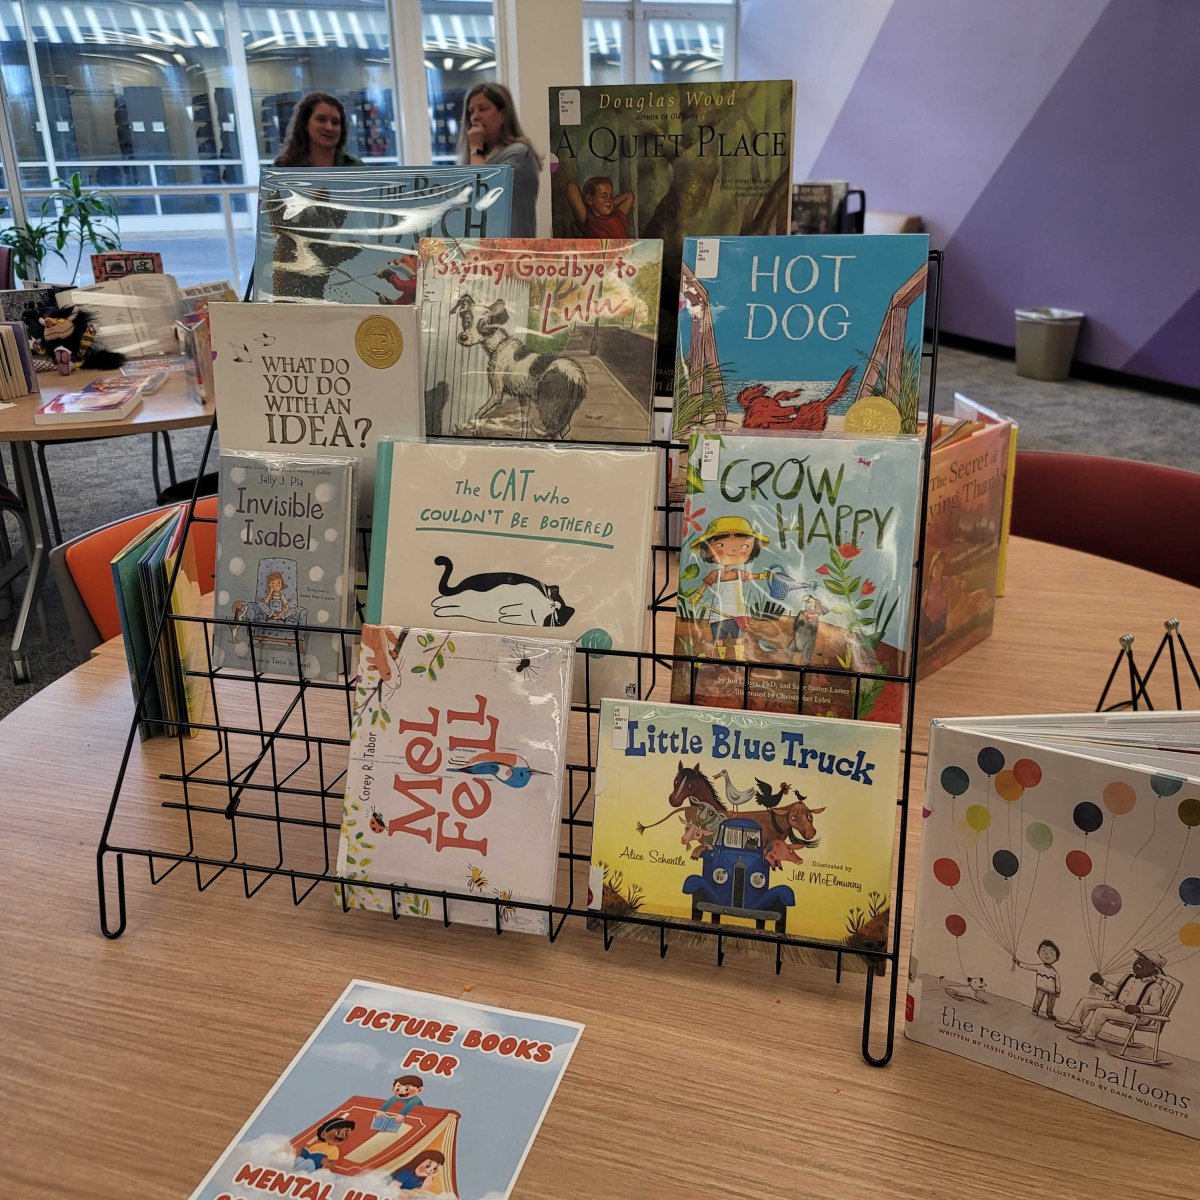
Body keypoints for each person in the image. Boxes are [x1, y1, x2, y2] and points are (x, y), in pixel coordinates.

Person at [458, 83, 541, 237]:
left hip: (511, 254)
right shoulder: (483, 156)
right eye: (471, 112)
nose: (475, 117)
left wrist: (476, 148)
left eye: (483, 109)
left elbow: (482, 198)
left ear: (503, 114)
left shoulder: (519, 153)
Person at [1055, 948, 1167, 1046]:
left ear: (1155, 971)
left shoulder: (1155, 987)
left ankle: (1088, 1037)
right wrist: (1102, 982)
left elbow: (1156, 1007)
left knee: (1101, 1011)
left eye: (1145, 962)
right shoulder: (1128, 977)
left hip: (1136, 1015)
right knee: (1085, 1001)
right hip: (1118, 1005)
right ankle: (1075, 1024)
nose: (1139, 963)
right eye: (1139, 959)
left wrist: (1139, 1008)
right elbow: (1117, 991)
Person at [274, 92, 364, 168]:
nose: (329, 127)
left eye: (335, 122)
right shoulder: (284, 167)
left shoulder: (357, 167)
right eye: (321, 120)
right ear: (305, 124)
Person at [564, 176, 635, 238]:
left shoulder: (617, 215)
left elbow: (629, 195)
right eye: (604, 196)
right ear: (589, 199)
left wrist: (609, 203)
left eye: (611, 196)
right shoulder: (590, 220)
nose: (609, 200)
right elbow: (570, 186)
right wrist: (590, 205)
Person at [1013, 938, 1061, 1018]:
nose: (1047, 954)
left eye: (1051, 953)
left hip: (1052, 990)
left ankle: (1049, 1013)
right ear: (1038, 952)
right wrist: (1019, 963)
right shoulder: (1039, 967)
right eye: (1044, 951)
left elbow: (1057, 981)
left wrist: (1058, 991)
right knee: (1038, 999)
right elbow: (1028, 966)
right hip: (1040, 987)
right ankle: (1035, 1010)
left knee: (1051, 1003)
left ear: (1057, 958)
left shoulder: (1054, 972)